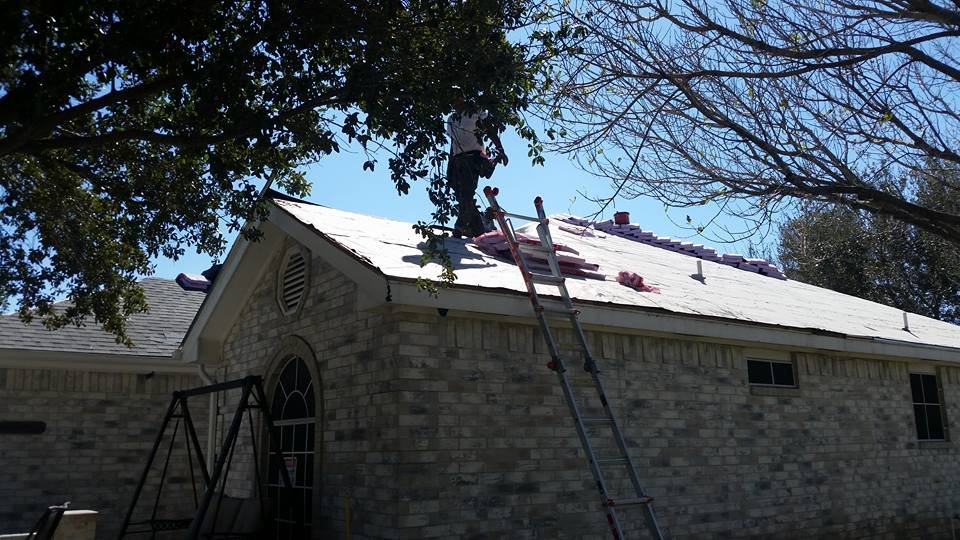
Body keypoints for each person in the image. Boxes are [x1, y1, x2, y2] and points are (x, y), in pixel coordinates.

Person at [446, 95, 508, 238]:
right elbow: (453, 142)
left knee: (467, 192)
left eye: (457, 98)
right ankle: (478, 230)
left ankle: (459, 225)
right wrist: (451, 165)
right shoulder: (451, 119)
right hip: (457, 159)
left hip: (474, 157)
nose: (454, 102)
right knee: (461, 196)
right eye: (452, 100)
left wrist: (500, 149)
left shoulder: (475, 112)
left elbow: (490, 130)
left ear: (463, 98)